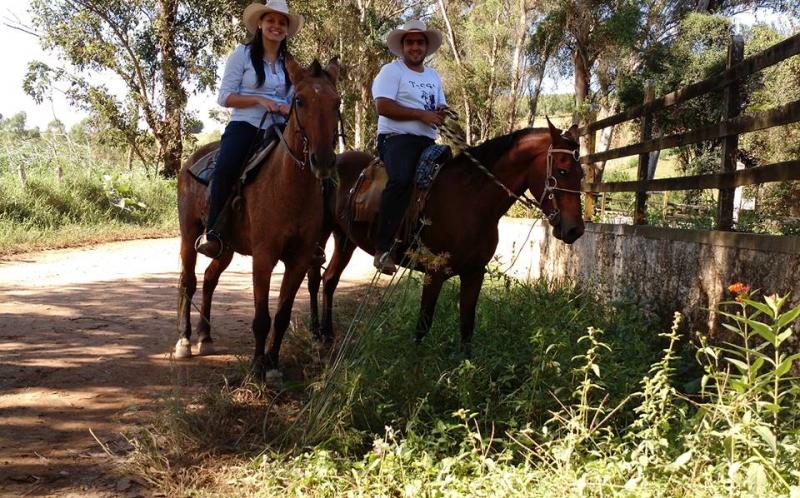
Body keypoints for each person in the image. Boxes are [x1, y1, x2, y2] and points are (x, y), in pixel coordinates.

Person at [195, 0, 303, 259]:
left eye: (281, 22)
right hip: (246, 124)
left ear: (286, 29)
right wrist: (258, 100)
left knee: (313, 168)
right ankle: (213, 233)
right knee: (225, 168)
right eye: (271, 21)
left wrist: (290, 109)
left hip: (280, 128)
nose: (276, 26)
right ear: (260, 24)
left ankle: (311, 238)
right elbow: (224, 97)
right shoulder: (241, 55)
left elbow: (297, 97)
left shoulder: (289, 63)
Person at [371, 19, 447, 275]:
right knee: (402, 179)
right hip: (396, 139)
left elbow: (439, 107)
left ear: (426, 47)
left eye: (420, 42)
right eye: (410, 42)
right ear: (402, 46)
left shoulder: (433, 75)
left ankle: (429, 241)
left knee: (452, 180)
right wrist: (420, 115)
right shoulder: (392, 72)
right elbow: (383, 106)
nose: (415, 47)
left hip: (427, 140)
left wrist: (440, 113)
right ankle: (383, 248)